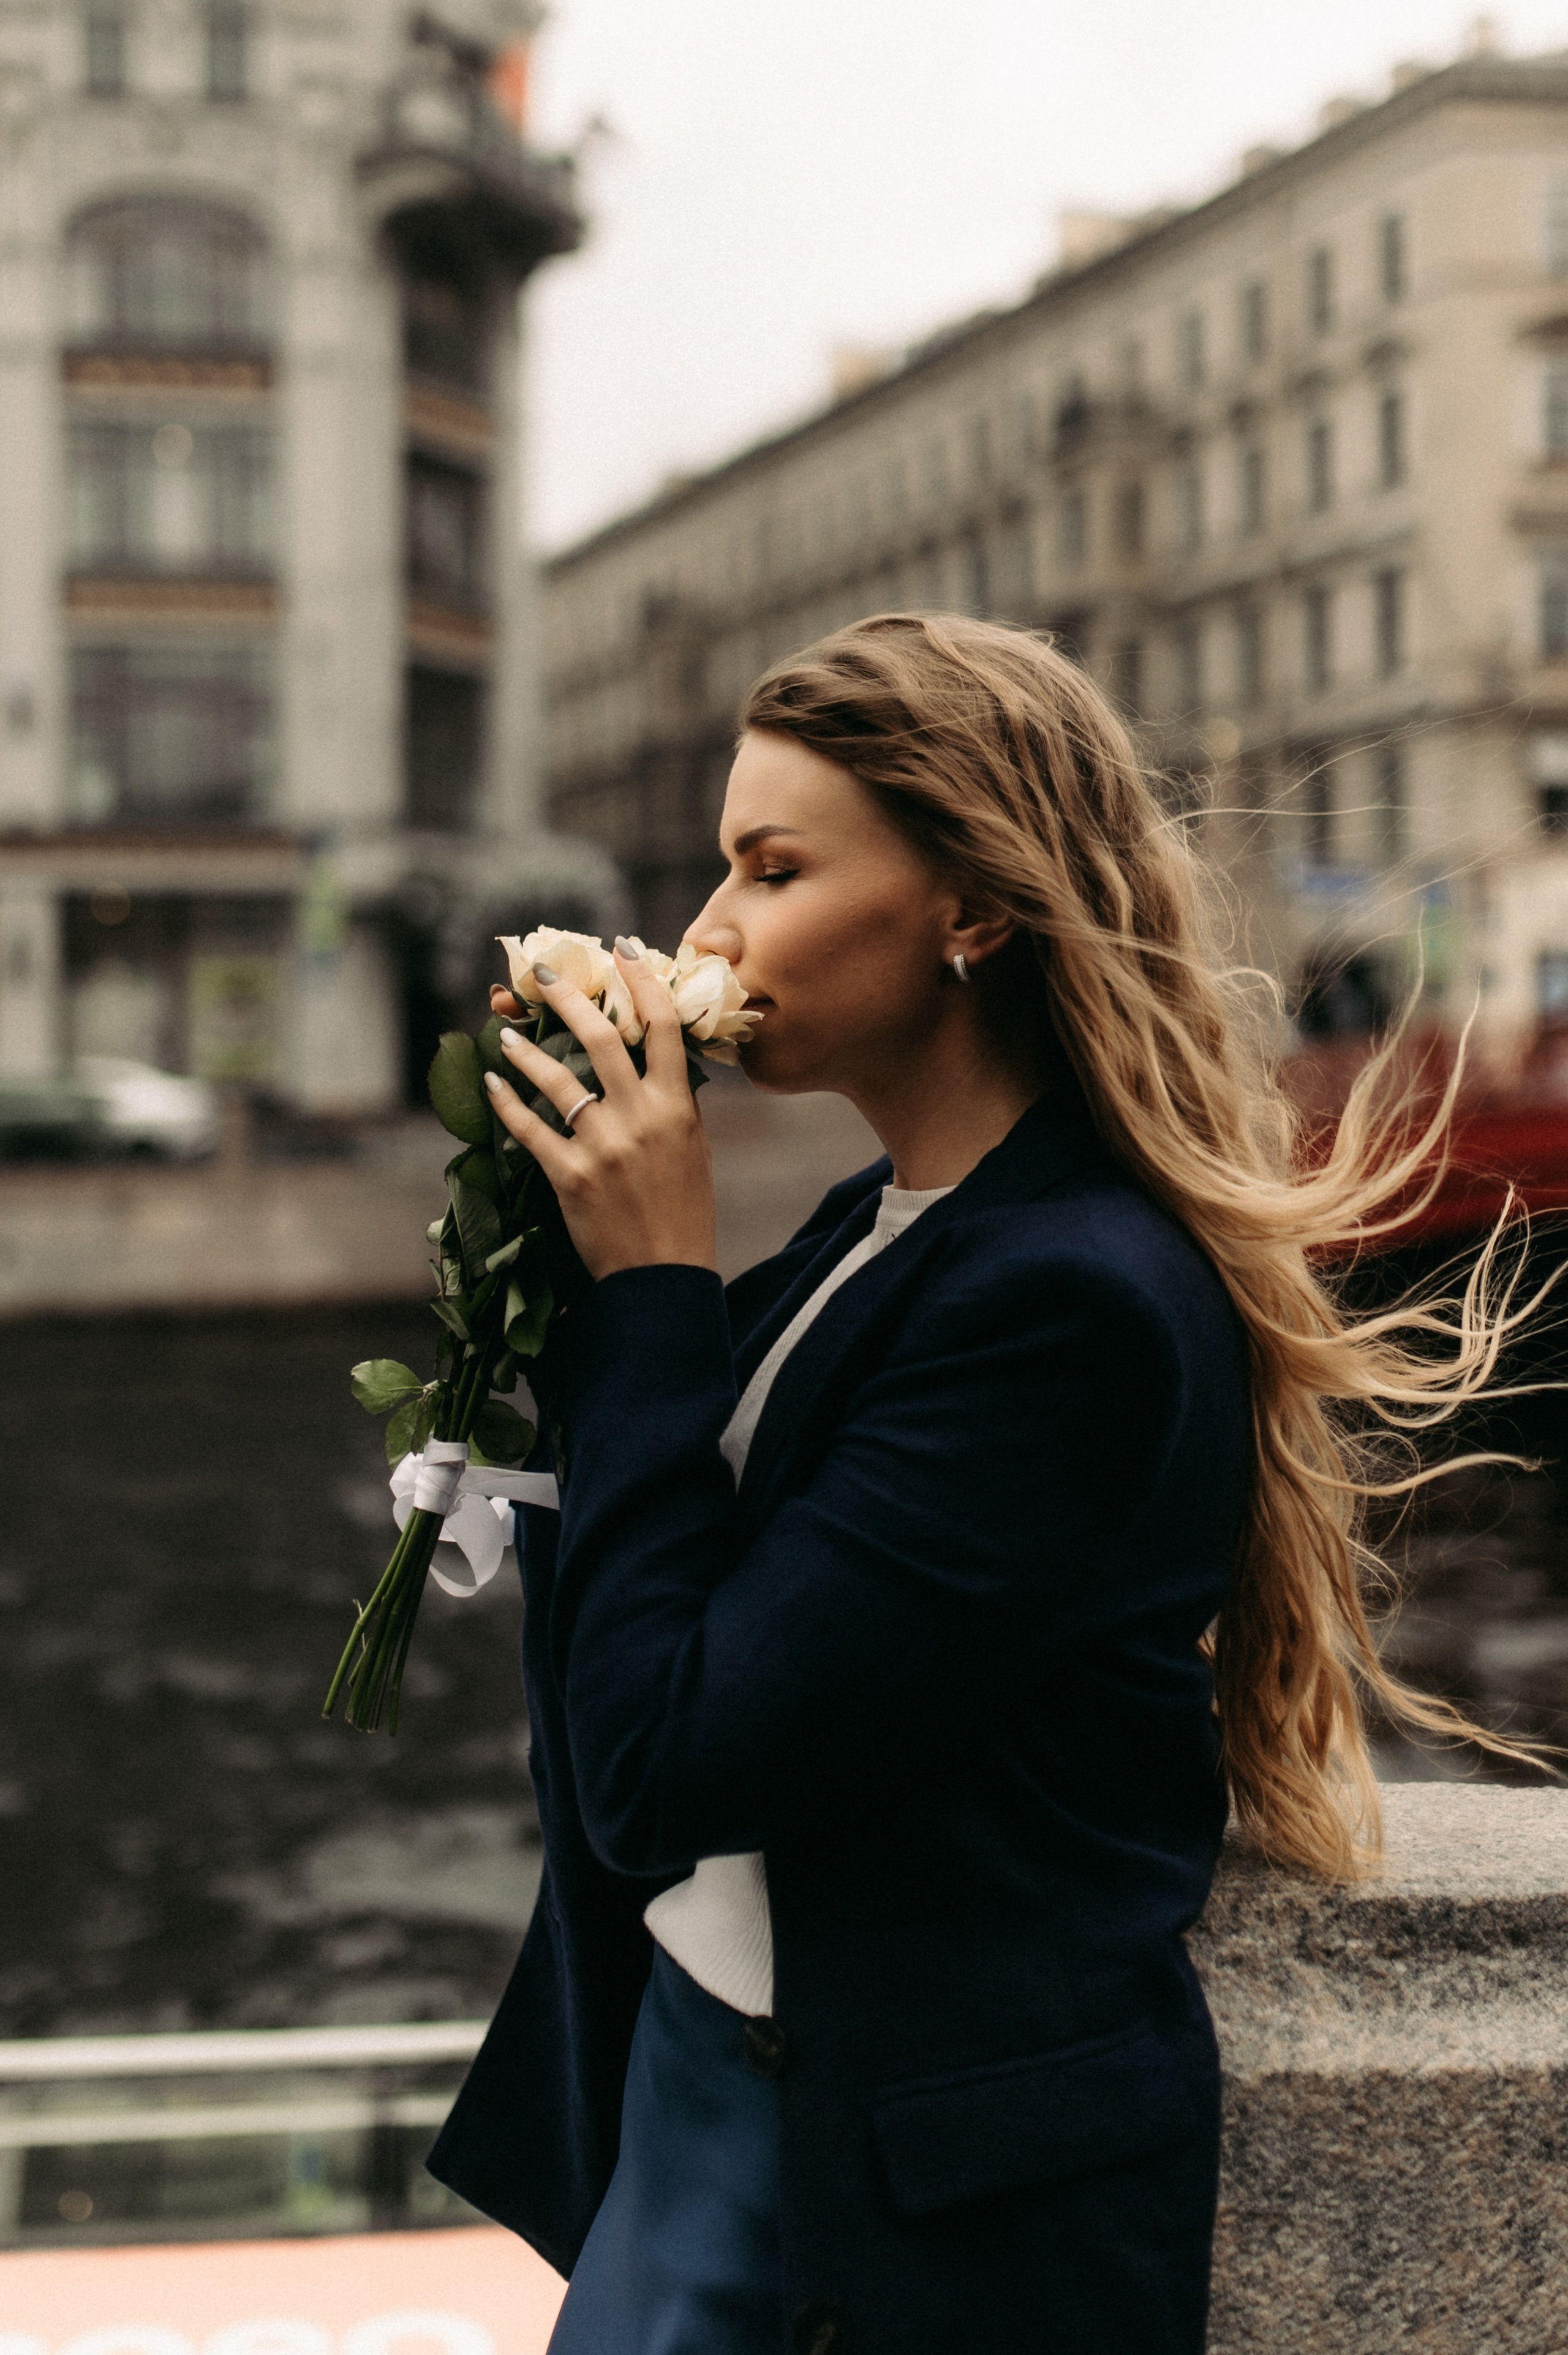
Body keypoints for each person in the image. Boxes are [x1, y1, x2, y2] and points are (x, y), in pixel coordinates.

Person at [427, 613, 1529, 2355]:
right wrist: (571, 1264)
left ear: (974, 906)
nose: (708, 930)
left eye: (771, 869)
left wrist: (650, 1293)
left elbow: (667, 1756)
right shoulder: (869, 1236)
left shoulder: (1073, 1299)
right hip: (710, 2092)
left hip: (899, 2207)